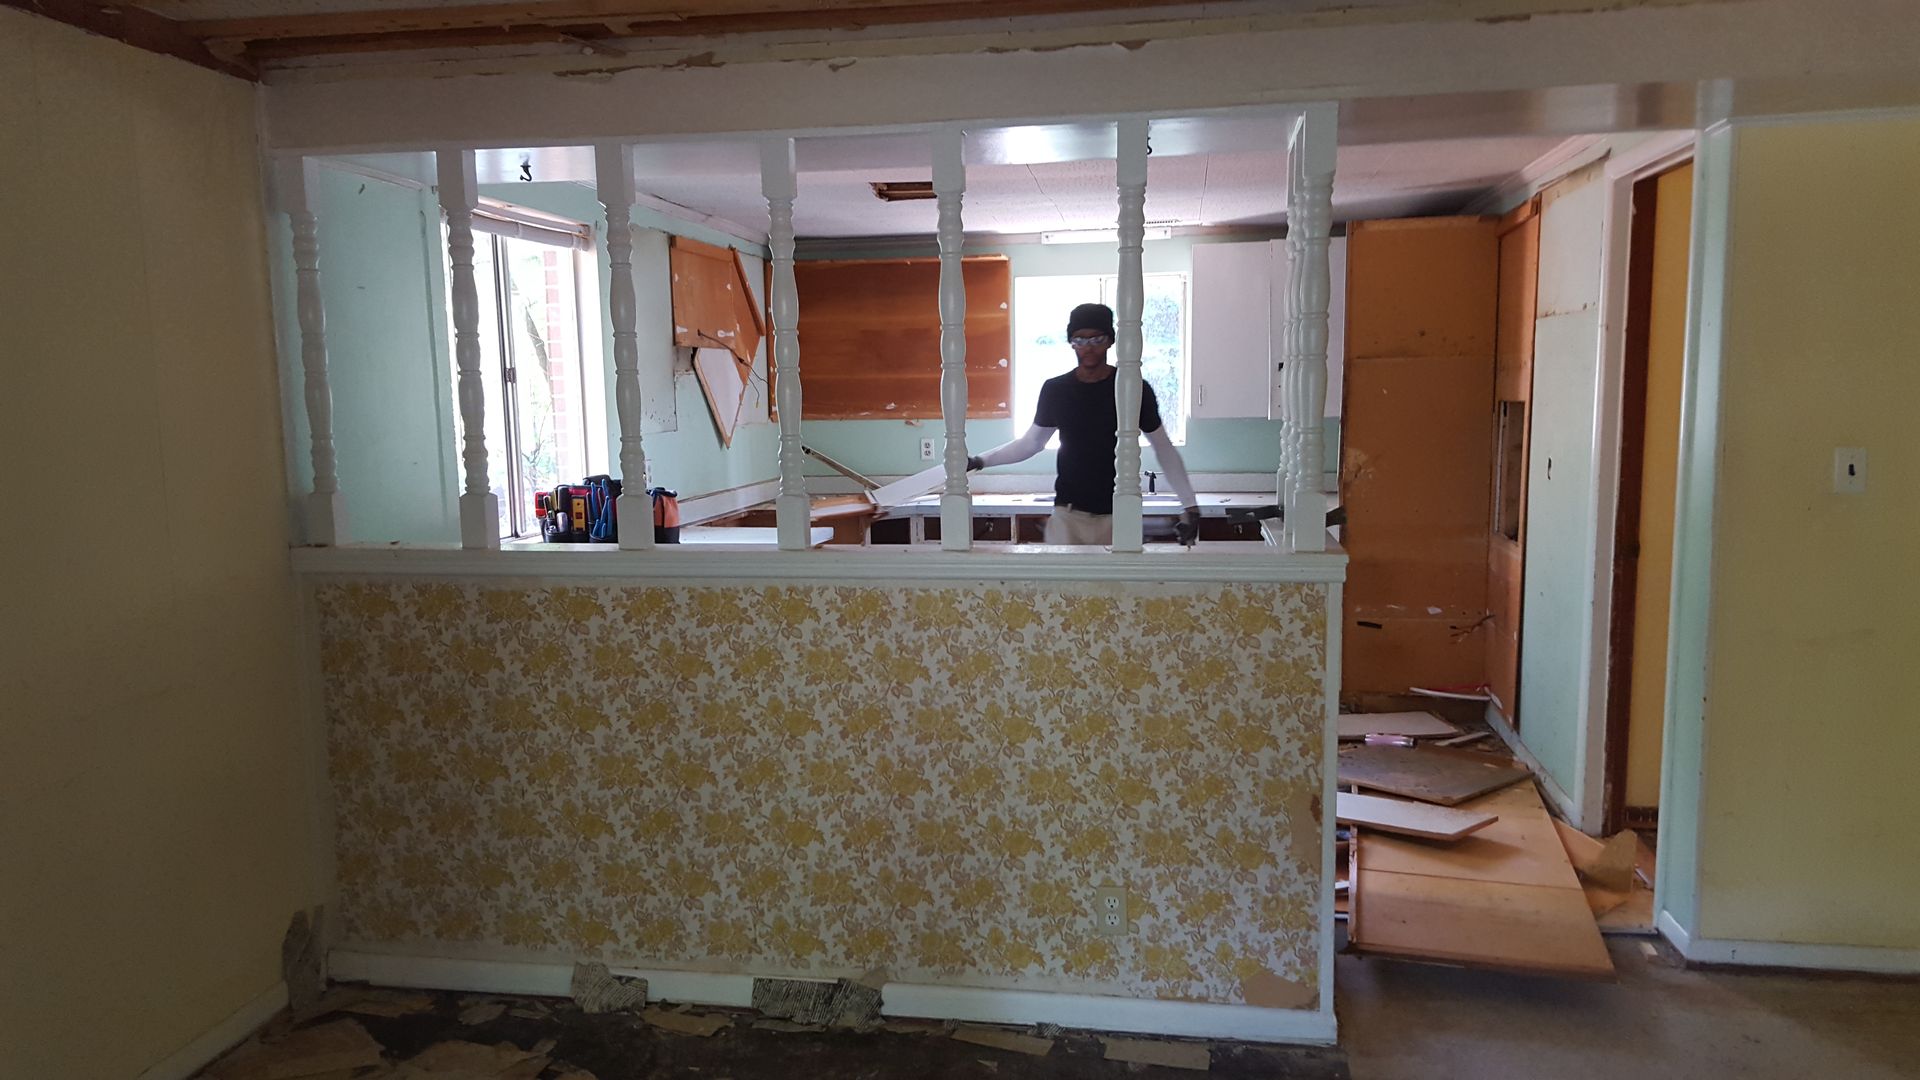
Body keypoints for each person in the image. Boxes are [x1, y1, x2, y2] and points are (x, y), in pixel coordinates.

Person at [967, 302, 1201, 546]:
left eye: (1096, 339)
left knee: (1117, 586)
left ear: (1110, 341)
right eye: (1080, 340)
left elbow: (1163, 447)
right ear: (1071, 342)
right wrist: (980, 461)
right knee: (1060, 586)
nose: (1088, 348)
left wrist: (1190, 505)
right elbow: (1032, 442)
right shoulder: (1056, 390)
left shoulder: (1133, 388)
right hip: (1068, 516)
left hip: (1118, 514)